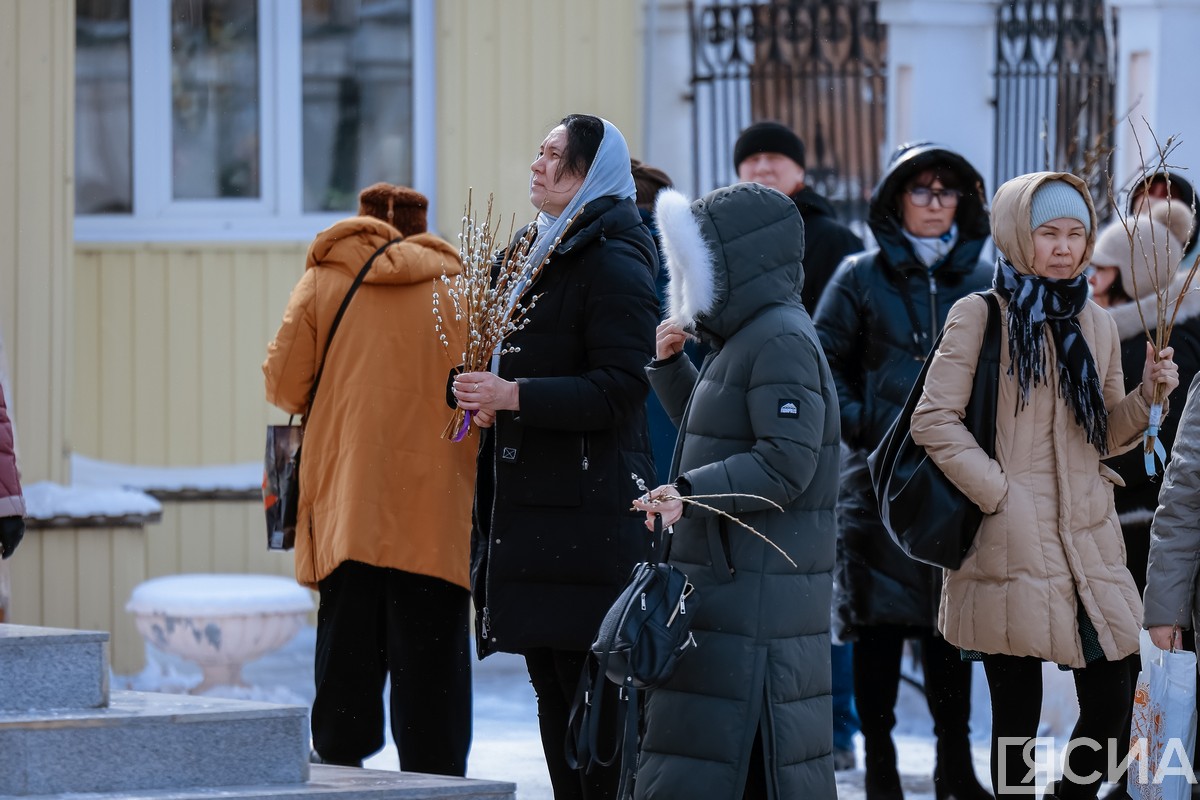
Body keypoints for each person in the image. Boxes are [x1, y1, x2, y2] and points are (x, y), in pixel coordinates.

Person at [909, 172, 1181, 799]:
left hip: (1088, 535)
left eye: (1076, 234)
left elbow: (1106, 435)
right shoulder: (980, 316)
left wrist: (1147, 397)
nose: (1064, 247)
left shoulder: (1098, 323)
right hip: (1008, 539)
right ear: (1014, 237)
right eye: (1048, 233)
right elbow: (934, 418)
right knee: (1016, 725)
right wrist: (999, 494)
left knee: (1115, 707)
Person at [452, 115, 659, 800]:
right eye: (538, 154)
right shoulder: (528, 250)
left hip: (585, 519)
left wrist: (515, 395)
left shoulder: (615, 256)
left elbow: (622, 389)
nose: (537, 167)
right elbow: (500, 355)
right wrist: (470, 387)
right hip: (529, 512)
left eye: (555, 158)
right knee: (552, 694)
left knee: (593, 715)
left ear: (590, 174)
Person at [630, 181, 841, 798]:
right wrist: (672, 372)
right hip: (735, 589)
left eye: (699, 262)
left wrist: (688, 491)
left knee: (743, 767)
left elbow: (784, 464)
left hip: (753, 599)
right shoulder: (750, 337)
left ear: (735, 263)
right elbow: (724, 430)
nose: (689, 278)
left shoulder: (779, 338)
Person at [263, 183, 475, 776]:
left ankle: (338, 764)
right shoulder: (461, 292)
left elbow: (283, 386)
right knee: (432, 657)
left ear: (361, 225)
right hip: (435, 498)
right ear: (422, 228)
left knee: (347, 648)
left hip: (348, 497)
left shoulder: (324, 282)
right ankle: (437, 783)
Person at [814, 142, 993, 800]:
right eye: (922, 190)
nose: (935, 203)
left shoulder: (985, 278)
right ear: (895, 199)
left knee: (952, 625)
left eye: (947, 192)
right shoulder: (860, 276)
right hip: (877, 482)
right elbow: (821, 360)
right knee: (879, 625)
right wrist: (864, 422)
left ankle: (956, 762)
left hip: (958, 480)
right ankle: (881, 763)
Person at [1089, 198, 1200, 800]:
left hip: (1144, 521)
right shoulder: (1129, 327)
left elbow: (1166, 445)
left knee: (1142, 668)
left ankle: (1131, 769)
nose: (1092, 278)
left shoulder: (1163, 338)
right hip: (1138, 521)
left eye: (1104, 268)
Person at [733, 120, 864, 312]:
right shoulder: (722, 238)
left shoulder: (833, 240)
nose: (762, 168)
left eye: (774, 157)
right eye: (752, 159)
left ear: (800, 171)